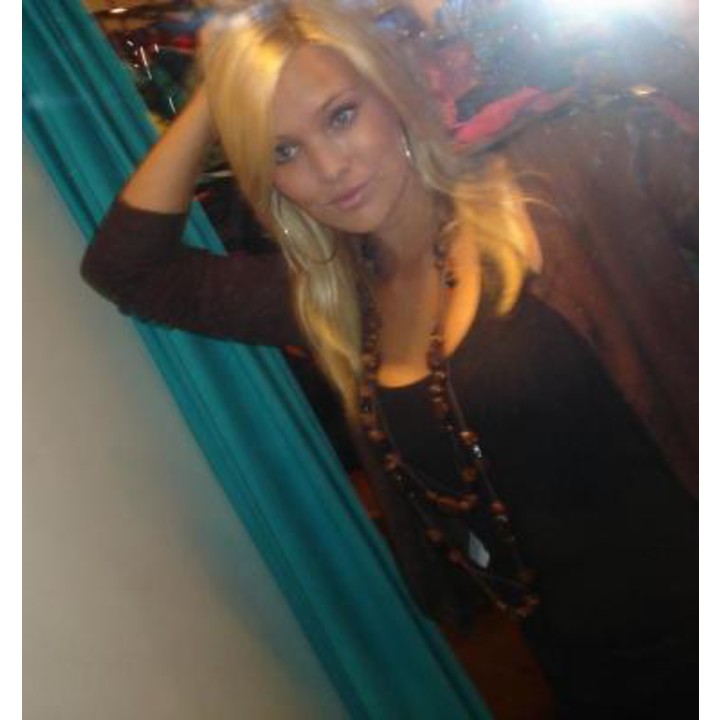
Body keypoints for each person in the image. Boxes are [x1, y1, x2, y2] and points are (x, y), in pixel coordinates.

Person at [80, 1, 698, 716]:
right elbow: (127, 268)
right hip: (590, 667)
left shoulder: (556, 185)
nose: (329, 168)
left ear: (390, 92)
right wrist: (219, 90)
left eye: (341, 115)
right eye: (283, 152)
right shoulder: (336, 303)